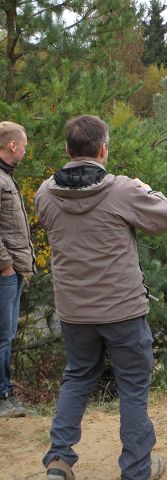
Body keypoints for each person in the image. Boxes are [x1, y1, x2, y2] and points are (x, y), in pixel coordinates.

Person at [36, 115, 167, 480]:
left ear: (68, 150)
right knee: (132, 389)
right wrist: (148, 189)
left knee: (78, 377)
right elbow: (162, 218)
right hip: (122, 310)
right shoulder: (123, 190)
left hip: (74, 310)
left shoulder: (45, 193)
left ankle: (59, 462)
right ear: (103, 149)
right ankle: (136, 471)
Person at [0, 121, 35, 418]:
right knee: (2, 335)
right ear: (13, 146)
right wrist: (6, 266)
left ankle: (5, 394)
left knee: (7, 334)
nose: (26, 149)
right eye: (24, 144)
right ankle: (3, 398)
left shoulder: (6, 177)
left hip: (13, 270)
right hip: (4, 272)